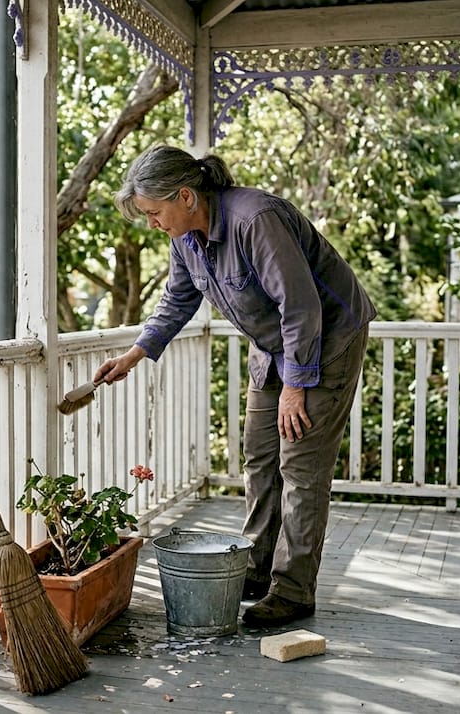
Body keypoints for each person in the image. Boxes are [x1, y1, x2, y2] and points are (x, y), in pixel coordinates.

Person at [94, 144, 375, 628]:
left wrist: (297, 385)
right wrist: (135, 354)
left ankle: (292, 590)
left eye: (154, 212)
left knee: (300, 463)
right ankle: (254, 568)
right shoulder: (184, 238)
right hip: (272, 345)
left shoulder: (254, 219)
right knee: (260, 459)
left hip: (324, 341)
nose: (152, 223)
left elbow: (301, 306)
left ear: (185, 196)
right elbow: (178, 300)